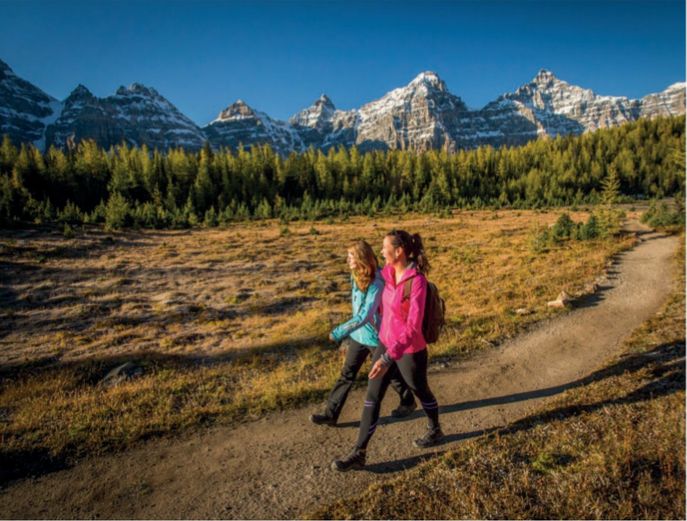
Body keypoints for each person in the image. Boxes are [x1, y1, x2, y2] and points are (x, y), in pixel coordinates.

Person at [331, 230, 443, 471]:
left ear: (399, 251)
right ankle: (359, 453)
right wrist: (354, 258)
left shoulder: (417, 282)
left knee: (421, 391)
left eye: (385, 248)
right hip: (385, 343)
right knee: (372, 396)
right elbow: (365, 269)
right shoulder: (386, 274)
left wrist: (387, 357)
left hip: (410, 350)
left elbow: (413, 328)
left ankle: (435, 429)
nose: (382, 251)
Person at [310, 240, 416, 427]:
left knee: (386, 374)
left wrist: (338, 332)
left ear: (361, 258)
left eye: (351, 256)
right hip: (358, 336)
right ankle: (330, 414)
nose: (347, 259)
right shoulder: (355, 276)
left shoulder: (377, 282)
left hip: (376, 338)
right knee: (346, 374)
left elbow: (364, 315)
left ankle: (408, 401)